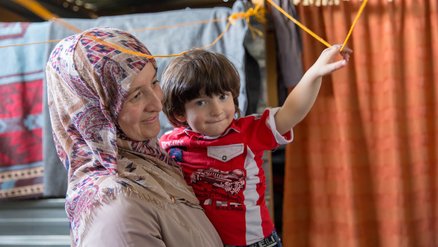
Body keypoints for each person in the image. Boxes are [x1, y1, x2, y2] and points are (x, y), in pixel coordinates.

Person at [45, 27, 223, 247]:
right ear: (96, 111)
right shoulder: (116, 206)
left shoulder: (155, 164)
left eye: (154, 82)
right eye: (135, 95)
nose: (158, 104)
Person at [159, 47, 352, 246]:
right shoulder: (169, 143)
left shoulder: (248, 132)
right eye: (201, 102)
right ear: (180, 113)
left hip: (256, 242)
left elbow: (291, 112)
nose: (216, 110)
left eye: (223, 97)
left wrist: (314, 73)